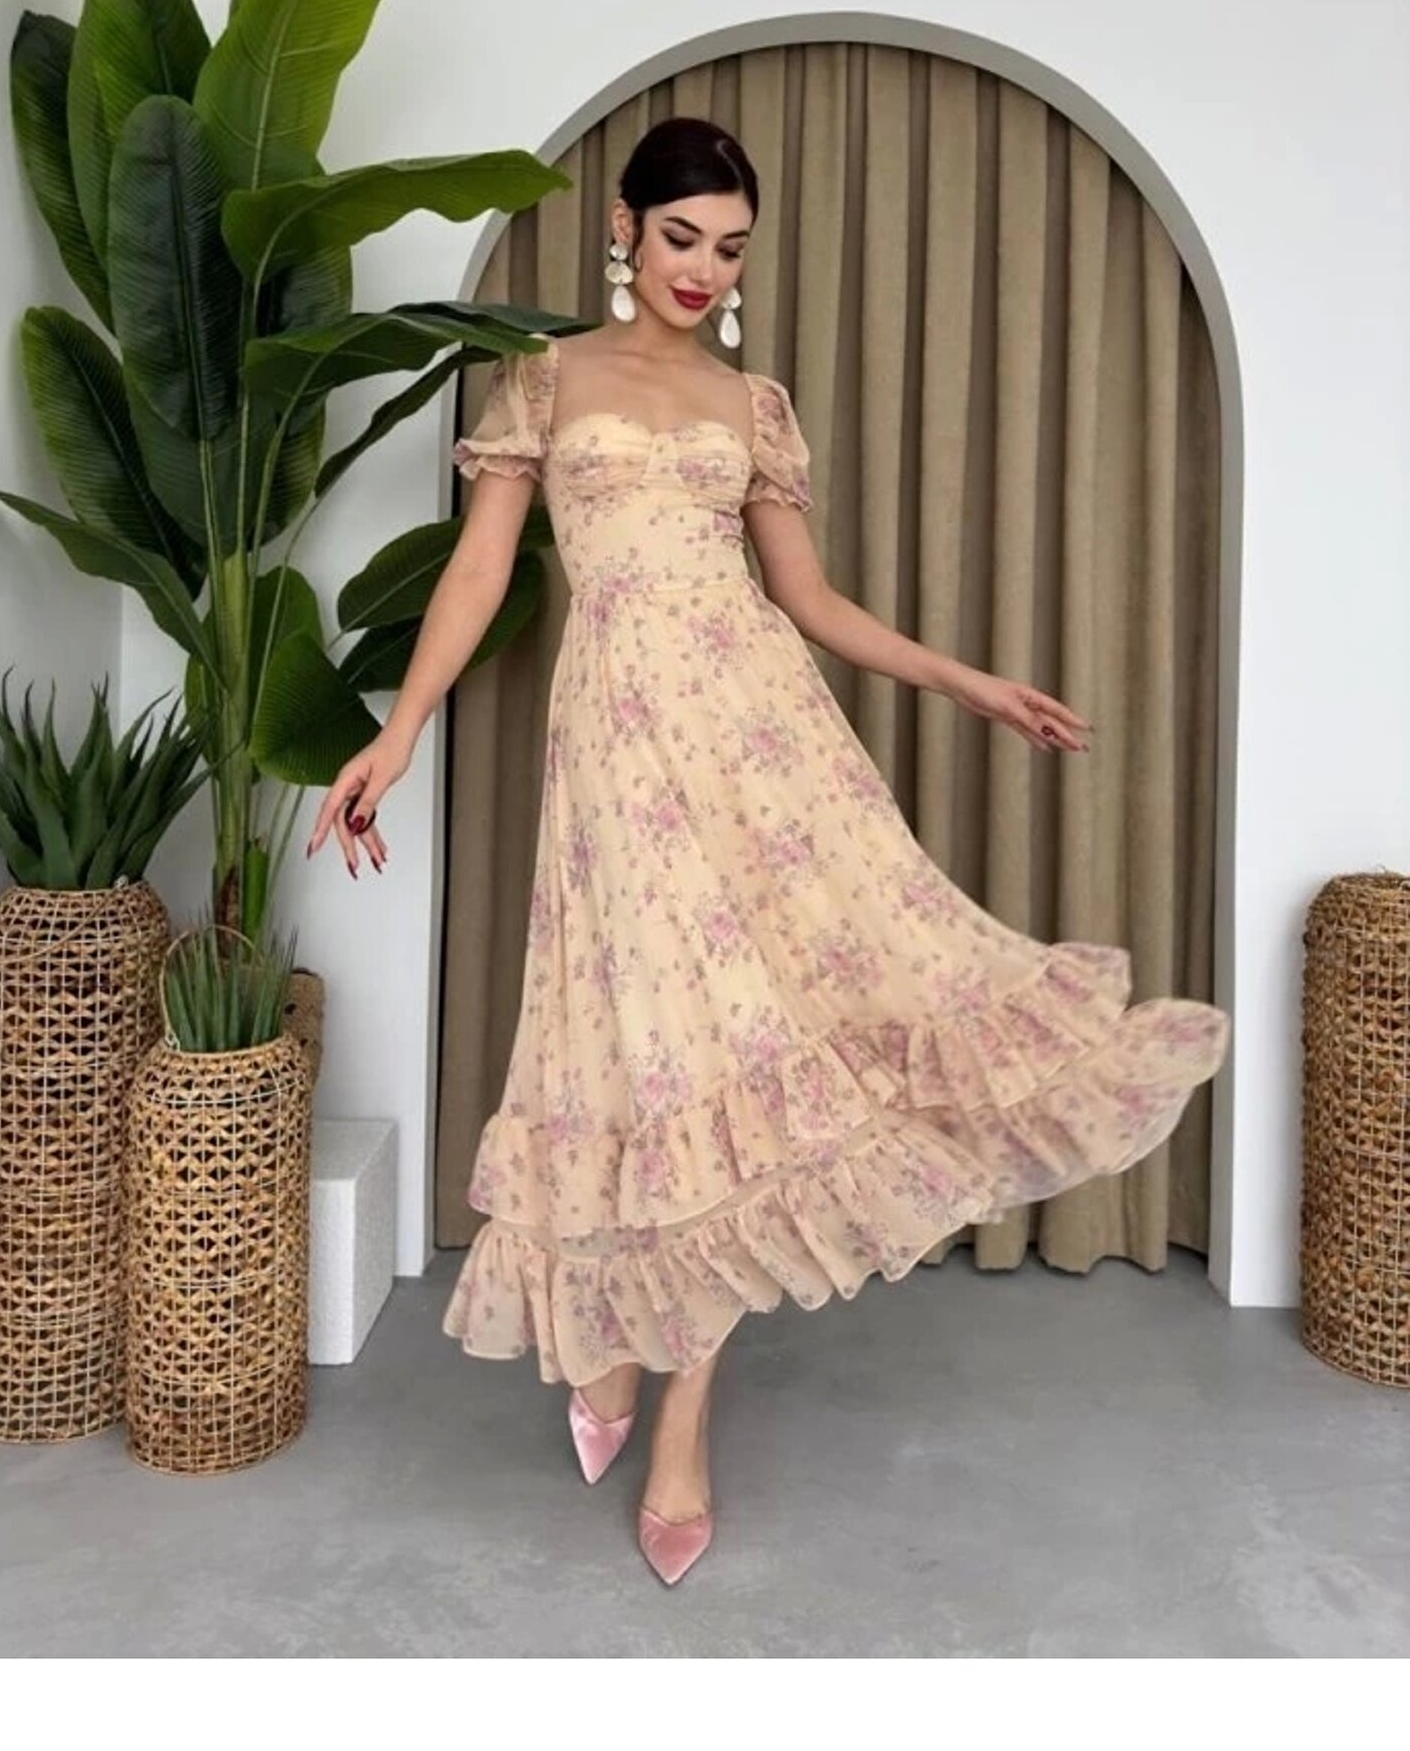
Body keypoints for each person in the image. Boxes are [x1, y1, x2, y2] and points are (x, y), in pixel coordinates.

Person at [307, 115, 1231, 1587]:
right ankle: (613, 1335)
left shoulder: (753, 405)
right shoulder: (543, 378)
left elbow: (809, 601)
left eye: (732, 248)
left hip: (763, 749)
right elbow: (480, 568)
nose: (704, 269)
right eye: (682, 236)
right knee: (644, 1057)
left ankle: (683, 1418)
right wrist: (400, 732)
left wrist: (968, 682)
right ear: (623, 227)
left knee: (751, 1063)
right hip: (617, 758)